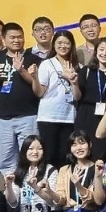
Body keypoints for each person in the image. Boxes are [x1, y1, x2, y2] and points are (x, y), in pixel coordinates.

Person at [0, 22, 43, 176]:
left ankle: (30, 184)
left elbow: (37, 85)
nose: (17, 40)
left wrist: (21, 70)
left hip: (28, 116)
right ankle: (10, 186)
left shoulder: (33, 58)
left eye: (20, 37)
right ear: (4, 39)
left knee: (30, 154)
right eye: (12, 37)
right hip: (2, 118)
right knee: (6, 158)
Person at [30, 30, 82, 166]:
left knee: (65, 156)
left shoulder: (78, 66)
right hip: (48, 117)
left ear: (72, 45)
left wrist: (73, 81)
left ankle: (63, 179)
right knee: (49, 155)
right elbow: (40, 93)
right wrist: (34, 77)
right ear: (54, 44)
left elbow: (77, 97)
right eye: (59, 43)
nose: (63, 46)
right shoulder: (47, 64)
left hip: (69, 117)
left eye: (66, 43)